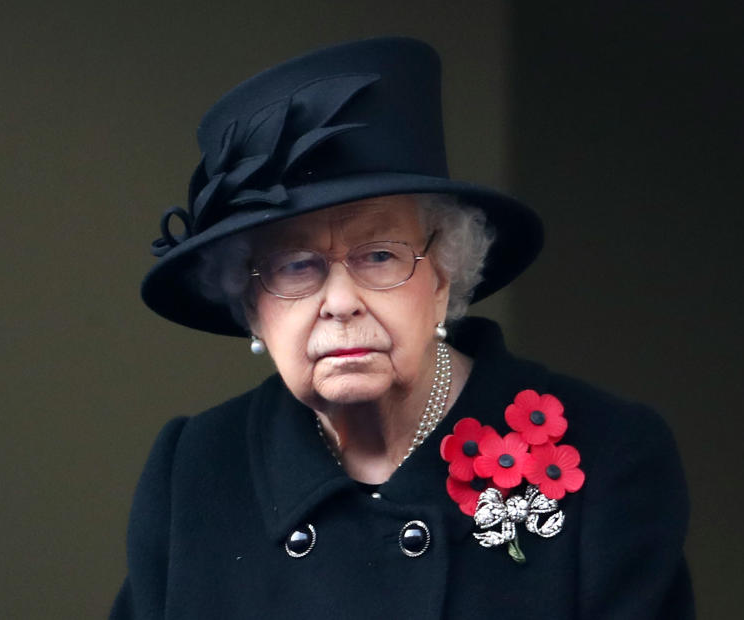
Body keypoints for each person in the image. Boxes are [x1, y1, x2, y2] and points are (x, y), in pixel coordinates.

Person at [110, 37, 693, 619]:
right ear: (253, 305)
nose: (340, 302)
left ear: (444, 277)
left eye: (380, 255)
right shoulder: (194, 472)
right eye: (294, 265)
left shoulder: (610, 455)